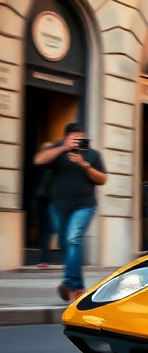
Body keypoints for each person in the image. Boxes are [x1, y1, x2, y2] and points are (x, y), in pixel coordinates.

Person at [33, 121, 108, 302]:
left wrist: (85, 165)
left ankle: (68, 282)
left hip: (84, 205)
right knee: (68, 245)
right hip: (57, 206)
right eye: (74, 137)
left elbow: (102, 179)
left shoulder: (92, 154)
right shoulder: (57, 151)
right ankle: (78, 288)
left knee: (73, 239)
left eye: (81, 136)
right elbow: (38, 160)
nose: (78, 140)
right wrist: (62, 148)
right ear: (65, 137)